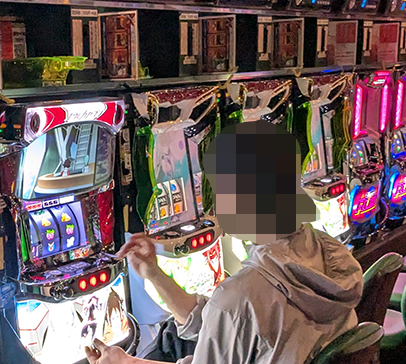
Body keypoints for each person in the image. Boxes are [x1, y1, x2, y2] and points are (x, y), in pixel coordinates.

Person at [85, 120, 363, 364]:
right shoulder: (331, 252)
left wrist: (125, 362)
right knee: (173, 337)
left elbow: (231, 317)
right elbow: (223, 324)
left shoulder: (241, 297)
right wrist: (154, 273)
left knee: (164, 343)